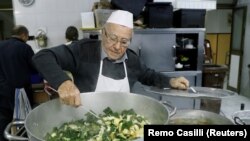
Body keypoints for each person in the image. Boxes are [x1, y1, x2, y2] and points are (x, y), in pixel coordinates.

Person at [32, 10, 189, 107]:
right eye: (113, 38)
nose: (117, 46)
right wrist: (62, 82)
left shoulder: (131, 59)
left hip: (121, 124)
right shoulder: (83, 50)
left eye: (124, 41)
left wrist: (171, 81)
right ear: (103, 33)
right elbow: (42, 56)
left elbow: (148, 75)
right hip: (86, 122)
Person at [0, 25, 36, 141]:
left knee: (4, 121)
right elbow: (35, 68)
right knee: (23, 121)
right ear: (24, 35)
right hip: (20, 93)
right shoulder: (25, 48)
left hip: (2, 92)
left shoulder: (0, 45)